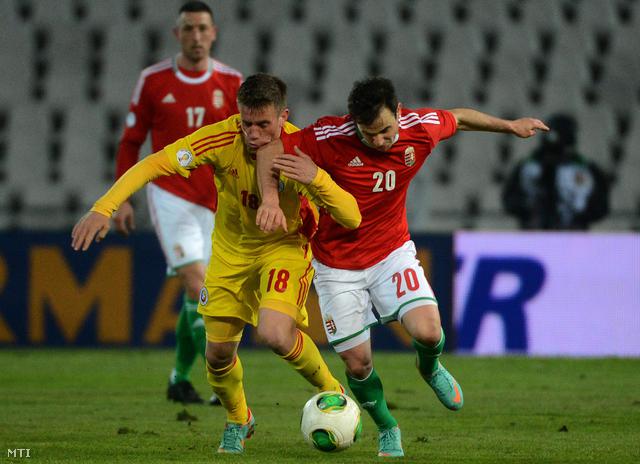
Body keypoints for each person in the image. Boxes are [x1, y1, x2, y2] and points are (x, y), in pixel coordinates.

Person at [256, 76, 548, 458]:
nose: (380, 141)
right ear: (353, 123)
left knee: (428, 332)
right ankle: (388, 428)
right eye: (368, 134)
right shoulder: (328, 136)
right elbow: (268, 149)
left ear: (398, 112)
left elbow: (458, 118)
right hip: (335, 265)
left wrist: (510, 126)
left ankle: (430, 369)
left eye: (385, 130)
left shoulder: (418, 128)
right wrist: (271, 200)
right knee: (358, 364)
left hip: (391, 251)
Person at [71, 73, 361, 454]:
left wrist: (317, 178)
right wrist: (103, 207)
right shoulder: (220, 139)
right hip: (230, 254)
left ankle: (332, 390)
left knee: (274, 334)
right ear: (237, 116)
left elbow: (352, 216)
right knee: (218, 355)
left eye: (264, 125)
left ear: (283, 116)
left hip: (284, 250)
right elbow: (153, 164)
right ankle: (239, 419)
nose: (254, 134)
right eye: (247, 123)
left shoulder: (302, 148)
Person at [113, 1, 242, 405]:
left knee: (202, 298)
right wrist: (122, 200)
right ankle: (223, 382)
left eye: (203, 29)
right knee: (198, 283)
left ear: (214, 33)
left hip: (219, 201)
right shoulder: (153, 81)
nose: (197, 37)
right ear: (177, 34)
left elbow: (249, 143)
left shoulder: (232, 82)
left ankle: (179, 378)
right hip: (171, 194)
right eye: (189, 29)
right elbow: (131, 142)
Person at [502, 113, 610, 229]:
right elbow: (510, 200)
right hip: (535, 232)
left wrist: (581, 215)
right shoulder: (528, 167)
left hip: (573, 234)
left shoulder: (586, 169)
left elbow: (601, 205)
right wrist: (528, 210)